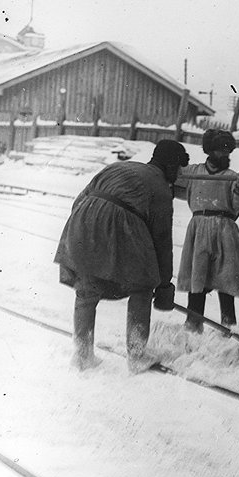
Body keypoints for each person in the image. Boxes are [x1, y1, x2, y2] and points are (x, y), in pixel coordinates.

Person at [54, 139, 189, 373]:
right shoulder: (160, 188)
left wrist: (88, 229)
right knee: (143, 285)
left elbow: (79, 199)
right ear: (170, 166)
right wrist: (164, 284)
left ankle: (82, 356)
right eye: (178, 169)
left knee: (87, 288)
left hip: (82, 220)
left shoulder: (118, 167)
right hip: (119, 225)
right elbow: (162, 242)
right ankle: (137, 356)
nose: (178, 175)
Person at [176, 129, 239, 331]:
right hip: (199, 227)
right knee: (197, 277)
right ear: (209, 151)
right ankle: (193, 323)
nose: (225, 155)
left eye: (228, 151)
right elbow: (174, 181)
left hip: (225, 229)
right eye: (220, 151)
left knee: (226, 277)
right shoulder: (194, 172)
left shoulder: (232, 177)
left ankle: (229, 326)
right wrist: (175, 166)